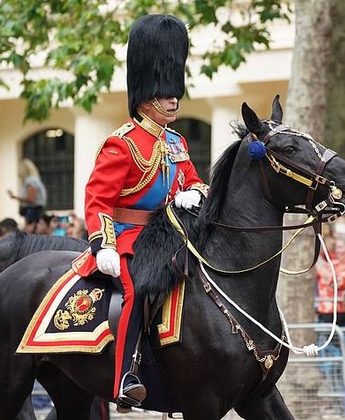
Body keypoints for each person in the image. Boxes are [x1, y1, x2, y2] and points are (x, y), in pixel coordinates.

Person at [82, 14, 208, 412]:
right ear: (145, 94)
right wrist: (102, 243)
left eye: (175, 92)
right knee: (137, 289)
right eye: (165, 92)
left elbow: (195, 182)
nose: (173, 99)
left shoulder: (176, 141)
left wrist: (192, 195)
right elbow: (97, 199)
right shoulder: (121, 144)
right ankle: (126, 376)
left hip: (170, 234)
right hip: (129, 236)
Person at [316, 234, 345, 326]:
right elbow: (320, 266)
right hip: (323, 314)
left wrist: (315, 261)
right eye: (337, 248)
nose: (338, 251)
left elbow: (334, 282)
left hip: (343, 317)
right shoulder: (333, 263)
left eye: (341, 247)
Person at [7, 158, 47, 233]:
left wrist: (15, 197)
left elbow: (31, 199)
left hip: (33, 211)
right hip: (35, 210)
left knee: (31, 233)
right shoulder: (35, 180)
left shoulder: (30, 181)